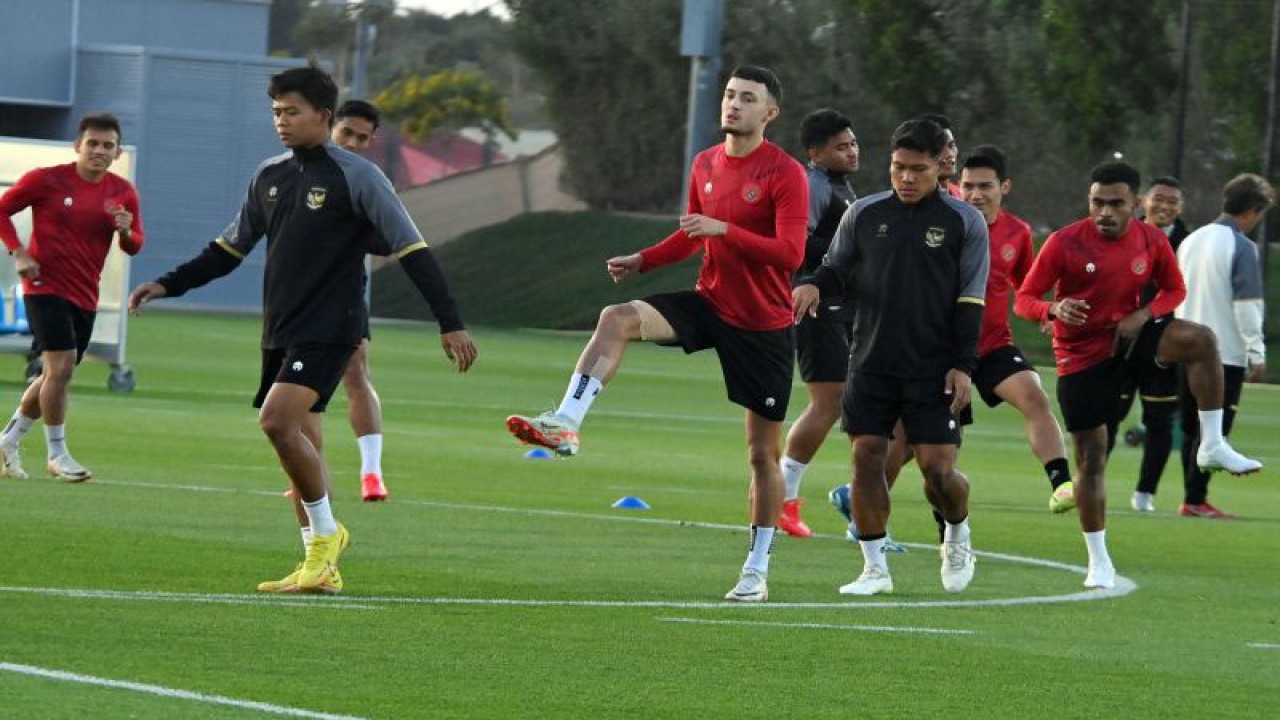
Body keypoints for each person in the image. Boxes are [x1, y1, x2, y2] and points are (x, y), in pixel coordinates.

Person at [128, 63, 476, 595]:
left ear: (323, 115)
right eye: (276, 112)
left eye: (292, 112)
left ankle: (327, 537)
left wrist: (449, 322)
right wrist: (168, 284)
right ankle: (319, 566)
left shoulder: (359, 176)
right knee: (301, 445)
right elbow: (228, 249)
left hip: (332, 325)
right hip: (282, 326)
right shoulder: (268, 176)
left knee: (276, 422)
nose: (281, 121)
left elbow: (412, 249)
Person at [505, 66, 807, 603]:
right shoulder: (705, 163)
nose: (734, 104)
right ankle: (567, 423)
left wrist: (725, 230)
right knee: (616, 317)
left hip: (763, 324)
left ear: (770, 112)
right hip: (710, 303)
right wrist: (643, 260)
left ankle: (756, 570)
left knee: (763, 454)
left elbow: (790, 254)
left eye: (747, 98)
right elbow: (690, 236)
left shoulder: (785, 172)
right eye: (730, 95)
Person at [1015, 162, 1260, 589]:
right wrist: (1053, 309)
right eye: (1097, 202)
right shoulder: (1064, 242)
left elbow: (1175, 289)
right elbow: (1024, 299)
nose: (1104, 212)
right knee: (1092, 458)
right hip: (1082, 356)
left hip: (1133, 337)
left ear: (1135, 203)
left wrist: (1144, 315)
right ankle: (1098, 560)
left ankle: (1212, 445)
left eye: (1115, 203)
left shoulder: (1152, 240)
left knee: (1202, 340)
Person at [794, 117, 989, 596]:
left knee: (937, 472)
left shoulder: (964, 221)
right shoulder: (863, 213)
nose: (906, 177)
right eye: (898, 167)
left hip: (934, 367)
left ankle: (957, 533)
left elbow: (971, 299)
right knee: (866, 458)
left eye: (917, 169)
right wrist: (813, 285)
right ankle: (874, 568)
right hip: (870, 360)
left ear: (940, 167)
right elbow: (836, 266)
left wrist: (962, 366)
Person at [0, 113, 145, 482]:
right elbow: (2, 210)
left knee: (54, 374)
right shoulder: (46, 180)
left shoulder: (122, 192)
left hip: (85, 294)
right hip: (43, 286)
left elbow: (134, 245)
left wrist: (126, 232)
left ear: (117, 152)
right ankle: (57, 454)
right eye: (92, 143)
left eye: (108, 145)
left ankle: (8, 440)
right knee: (60, 369)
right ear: (78, 145)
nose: (99, 151)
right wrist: (19, 252)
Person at [956, 146, 1076, 512]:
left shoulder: (1018, 233)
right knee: (928, 449)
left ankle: (1062, 484)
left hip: (993, 345)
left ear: (1004, 187)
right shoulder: (947, 225)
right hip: (947, 351)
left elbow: (1026, 291)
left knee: (1034, 397)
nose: (976, 194)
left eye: (985, 186)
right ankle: (858, 494)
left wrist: (1045, 314)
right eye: (968, 186)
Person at [777, 108, 859, 539]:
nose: (852, 152)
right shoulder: (814, 185)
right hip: (813, 303)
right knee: (829, 402)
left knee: (846, 402)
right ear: (815, 153)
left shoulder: (840, 186)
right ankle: (782, 500)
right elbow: (796, 244)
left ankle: (856, 499)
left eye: (853, 143)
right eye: (841, 147)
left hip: (842, 306)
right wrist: (850, 246)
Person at [1173, 173, 1274, 519]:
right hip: (1222, 355)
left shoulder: (1191, 240)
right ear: (1252, 210)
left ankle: (1192, 498)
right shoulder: (1241, 246)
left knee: (1191, 428)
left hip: (1185, 348)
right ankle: (1195, 501)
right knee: (1213, 433)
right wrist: (1256, 353)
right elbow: (1247, 305)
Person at [1108, 176, 1190, 513]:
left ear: (1181, 207)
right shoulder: (1121, 232)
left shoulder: (1188, 244)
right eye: (1159, 198)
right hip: (1119, 343)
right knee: (1107, 416)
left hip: (1163, 348)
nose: (1165, 206)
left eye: (1173, 201)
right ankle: (1088, 483)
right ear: (1143, 201)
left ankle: (1145, 494)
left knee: (1159, 421)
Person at [331, 99, 388, 502]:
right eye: (346, 132)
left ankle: (372, 473)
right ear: (330, 126)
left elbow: (390, 238)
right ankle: (304, 471)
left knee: (355, 373)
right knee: (295, 389)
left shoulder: (369, 181)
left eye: (362, 138)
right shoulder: (291, 171)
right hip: (293, 297)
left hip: (345, 293)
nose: (352, 143)